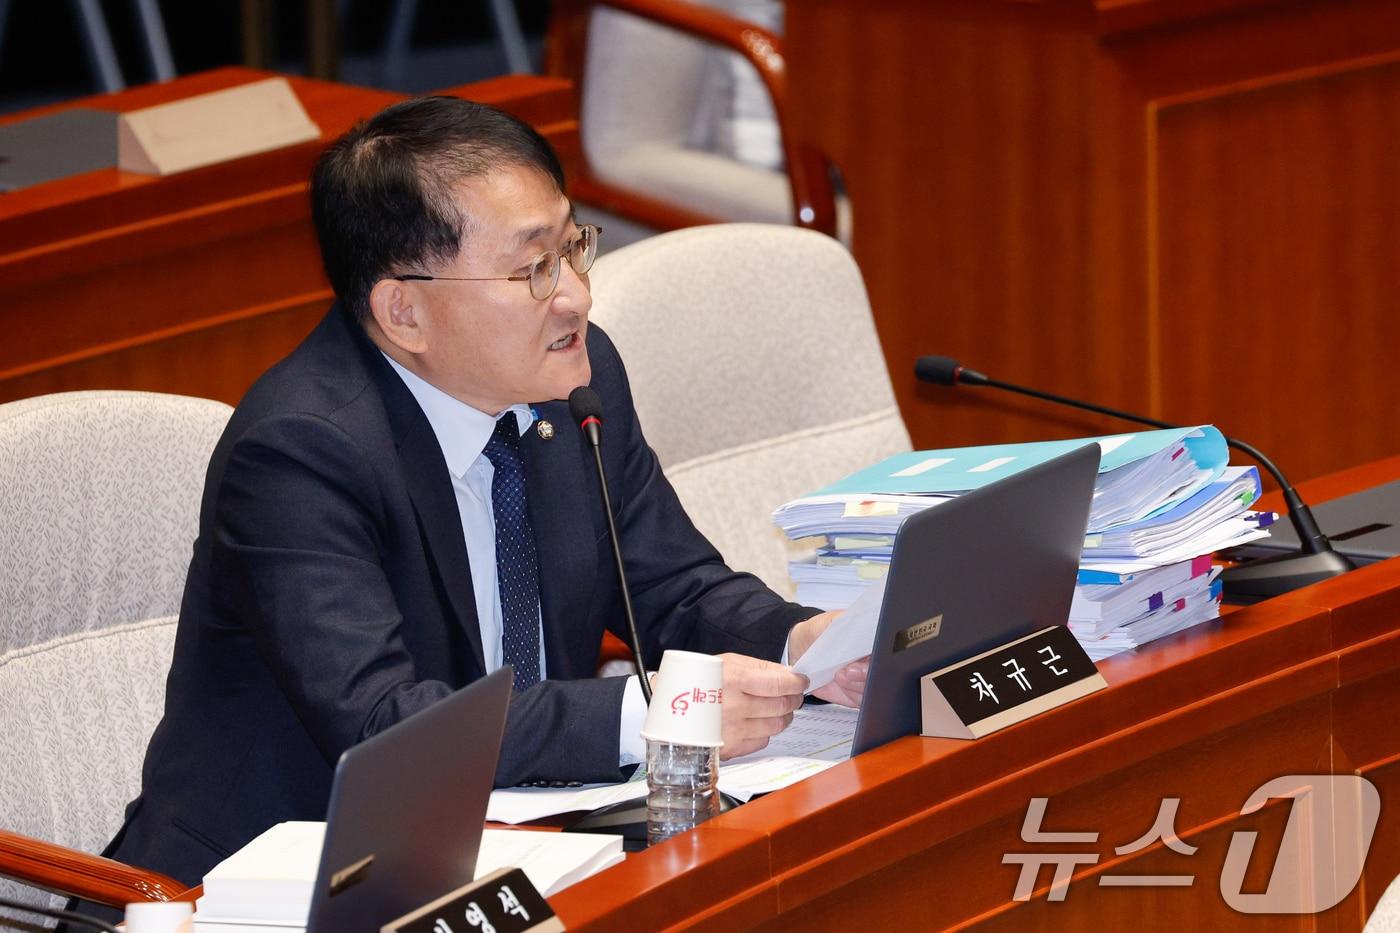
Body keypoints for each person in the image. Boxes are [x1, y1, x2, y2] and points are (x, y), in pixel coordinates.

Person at [94, 96, 867, 898]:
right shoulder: (300, 452)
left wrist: (808, 648)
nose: (576, 296)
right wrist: (652, 713)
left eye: (571, 249)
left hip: (517, 847)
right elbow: (386, 727)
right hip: (277, 883)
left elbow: (675, 585)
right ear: (405, 312)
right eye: (533, 269)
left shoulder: (575, 381)